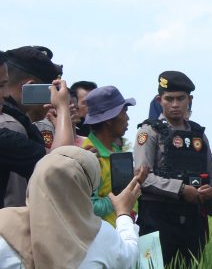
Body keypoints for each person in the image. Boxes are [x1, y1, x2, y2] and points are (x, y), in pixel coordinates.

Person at [0, 146, 143, 269]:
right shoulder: (100, 235)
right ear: (85, 189)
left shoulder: (4, 225)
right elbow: (129, 258)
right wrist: (123, 213)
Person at [134, 71, 212, 267]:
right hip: (156, 217)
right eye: (169, 99)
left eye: (181, 99)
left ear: (189, 99)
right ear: (159, 100)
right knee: (152, 267)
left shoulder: (198, 134)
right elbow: (143, 177)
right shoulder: (149, 131)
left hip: (192, 218)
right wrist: (180, 189)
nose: (175, 105)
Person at [1, 45, 73, 208]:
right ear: (30, 87)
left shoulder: (17, 122)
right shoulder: (11, 125)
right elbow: (58, 167)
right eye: (50, 91)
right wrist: (63, 109)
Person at [81, 86, 136, 225]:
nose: (128, 118)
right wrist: (123, 198)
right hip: (103, 240)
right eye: (124, 112)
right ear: (109, 120)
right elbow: (89, 206)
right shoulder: (89, 156)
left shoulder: (116, 151)